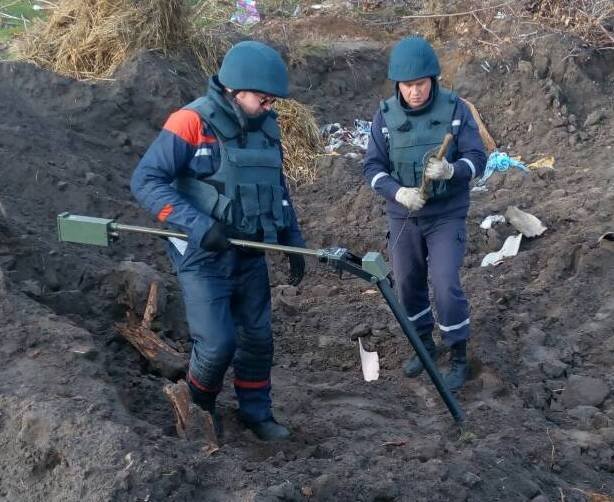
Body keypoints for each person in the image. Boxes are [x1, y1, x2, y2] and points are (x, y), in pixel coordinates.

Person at [131, 41, 306, 440]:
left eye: (271, 100)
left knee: (258, 339)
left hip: (249, 250)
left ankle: (256, 413)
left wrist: (291, 237)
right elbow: (146, 181)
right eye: (263, 99)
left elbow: (276, 186)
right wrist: (197, 225)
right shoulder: (190, 121)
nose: (268, 107)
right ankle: (198, 410)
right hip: (201, 253)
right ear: (234, 89)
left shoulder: (265, 128)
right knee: (217, 344)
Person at [363, 37, 486, 391]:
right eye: (407, 86)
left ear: (433, 80)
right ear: (396, 85)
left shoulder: (455, 111)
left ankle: (458, 353)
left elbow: (478, 159)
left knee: (445, 282)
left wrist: (452, 171)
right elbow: (372, 166)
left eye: (420, 84)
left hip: (446, 214)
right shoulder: (384, 117)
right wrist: (397, 192)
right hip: (404, 216)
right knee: (406, 282)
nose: (414, 92)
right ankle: (424, 346)